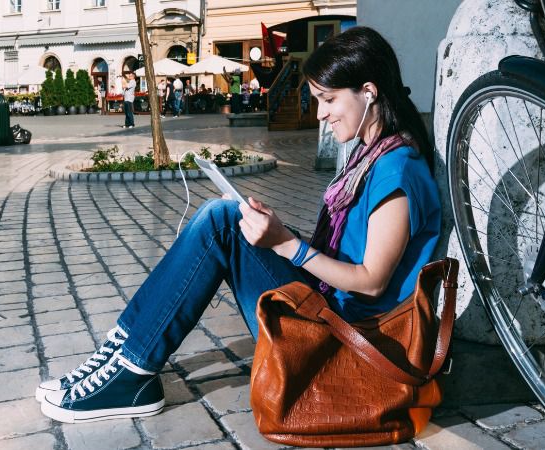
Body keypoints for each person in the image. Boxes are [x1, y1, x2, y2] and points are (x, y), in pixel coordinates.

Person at [34, 27, 440, 424]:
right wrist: (278, 231)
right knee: (228, 217)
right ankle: (121, 355)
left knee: (221, 220)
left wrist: (286, 244)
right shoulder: (372, 157)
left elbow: (370, 282)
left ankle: (131, 371)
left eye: (328, 99)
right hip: (329, 314)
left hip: (345, 345)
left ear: (368, 92)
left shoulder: (396, 171)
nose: (321, 114)